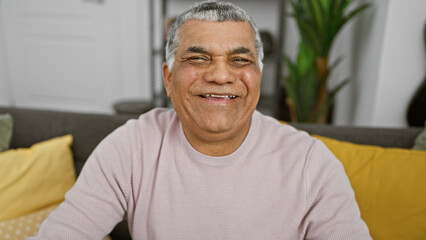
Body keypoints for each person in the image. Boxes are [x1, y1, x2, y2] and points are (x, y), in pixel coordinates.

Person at [30, 1, 371, 239]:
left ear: (259, 77)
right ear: (168, 77)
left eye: (240, 60)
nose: (221, 75)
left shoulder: (312, 164)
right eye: (198, 57)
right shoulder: (131, 147)